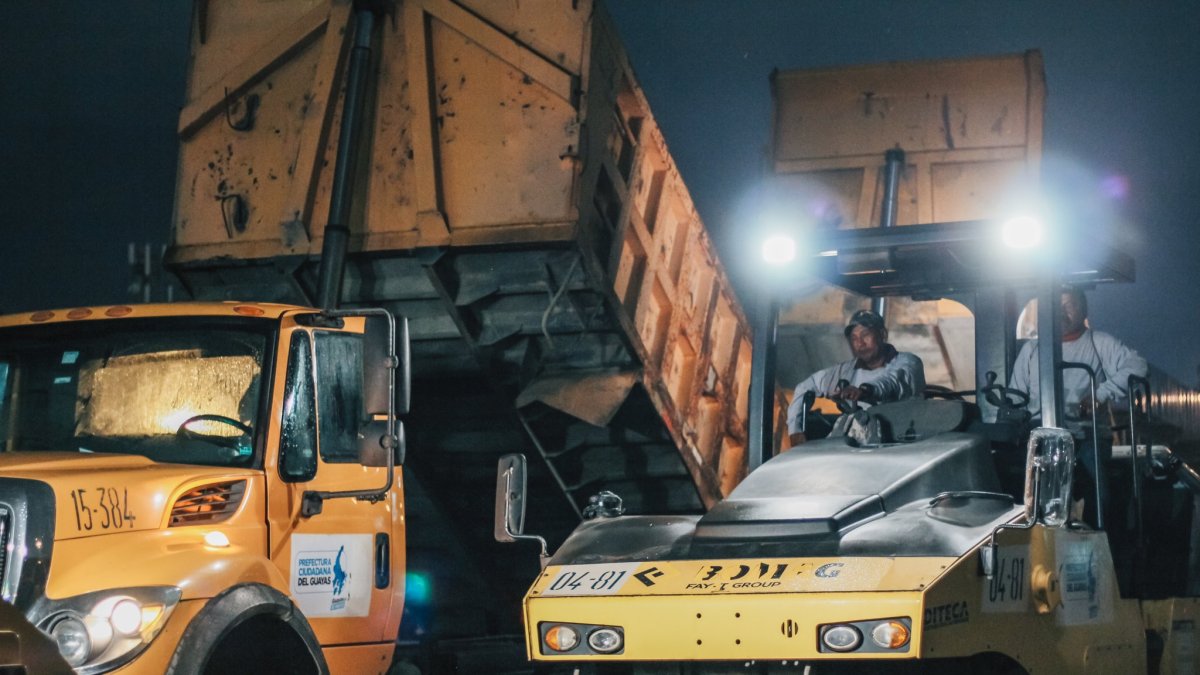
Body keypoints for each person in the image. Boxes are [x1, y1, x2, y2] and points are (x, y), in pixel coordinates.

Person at [1008, 286, 1147, 527]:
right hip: (1039, 437)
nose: (1062, 312)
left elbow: (1138, 366)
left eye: (1069, 306)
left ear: (1083, 309)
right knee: (1019, 491)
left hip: (1087, 436)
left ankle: (1099, 534)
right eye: (1056, 306)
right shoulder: (1031, 350)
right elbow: (1015, 395)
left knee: (1098, 495)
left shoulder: (1099, 343)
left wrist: (1099, 395)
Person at [786, 309, 926, 445]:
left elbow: (892, 382)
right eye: (854, 338)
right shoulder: (846, 371)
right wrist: (795, 431)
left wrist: (865, 391)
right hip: (860, 447)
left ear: (882, 334)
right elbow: (804, 387)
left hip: (903, 443)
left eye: (865, 335)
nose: (860, 343)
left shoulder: (909, 363)